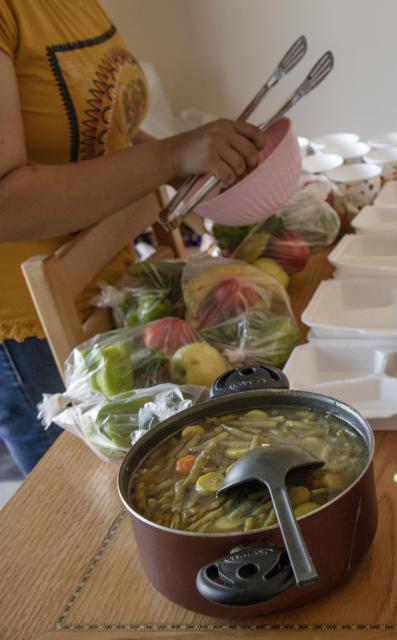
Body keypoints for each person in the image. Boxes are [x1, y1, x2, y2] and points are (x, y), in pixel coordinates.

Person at [0, 0, 266, 475]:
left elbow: (102, 129)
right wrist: (170, 157)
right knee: (88, 512)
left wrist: (196, 166)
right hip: (28, 334)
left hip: (111, 294)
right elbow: (7, 205)